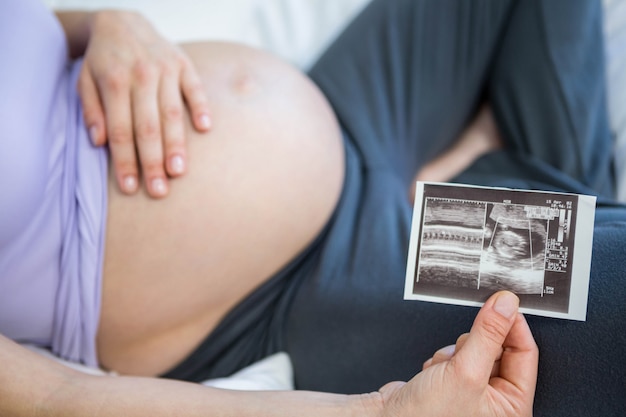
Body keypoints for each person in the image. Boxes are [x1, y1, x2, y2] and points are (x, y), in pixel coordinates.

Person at [0, 0, 624, 416]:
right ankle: (489, 194)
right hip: (294, 284)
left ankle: (502, 184)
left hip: (346, 116)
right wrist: (375, 412)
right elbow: (57, 396)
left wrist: (106, 24)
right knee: (600, 278)